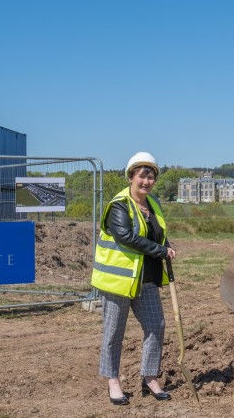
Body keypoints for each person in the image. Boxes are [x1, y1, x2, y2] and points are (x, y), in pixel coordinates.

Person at [91, 152, 176, 406]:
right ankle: (113, 381)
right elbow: (126, 237)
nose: (146, 181)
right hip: (119, 282)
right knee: (114, 332)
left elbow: (158, 234)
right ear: (131, 177)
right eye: (142, 176)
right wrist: (160, 251)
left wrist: (167, 247)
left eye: (151, 176)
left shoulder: (154, 204)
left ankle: (149, 377)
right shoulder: (119, 205)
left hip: (146, 280)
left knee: (156, 326)